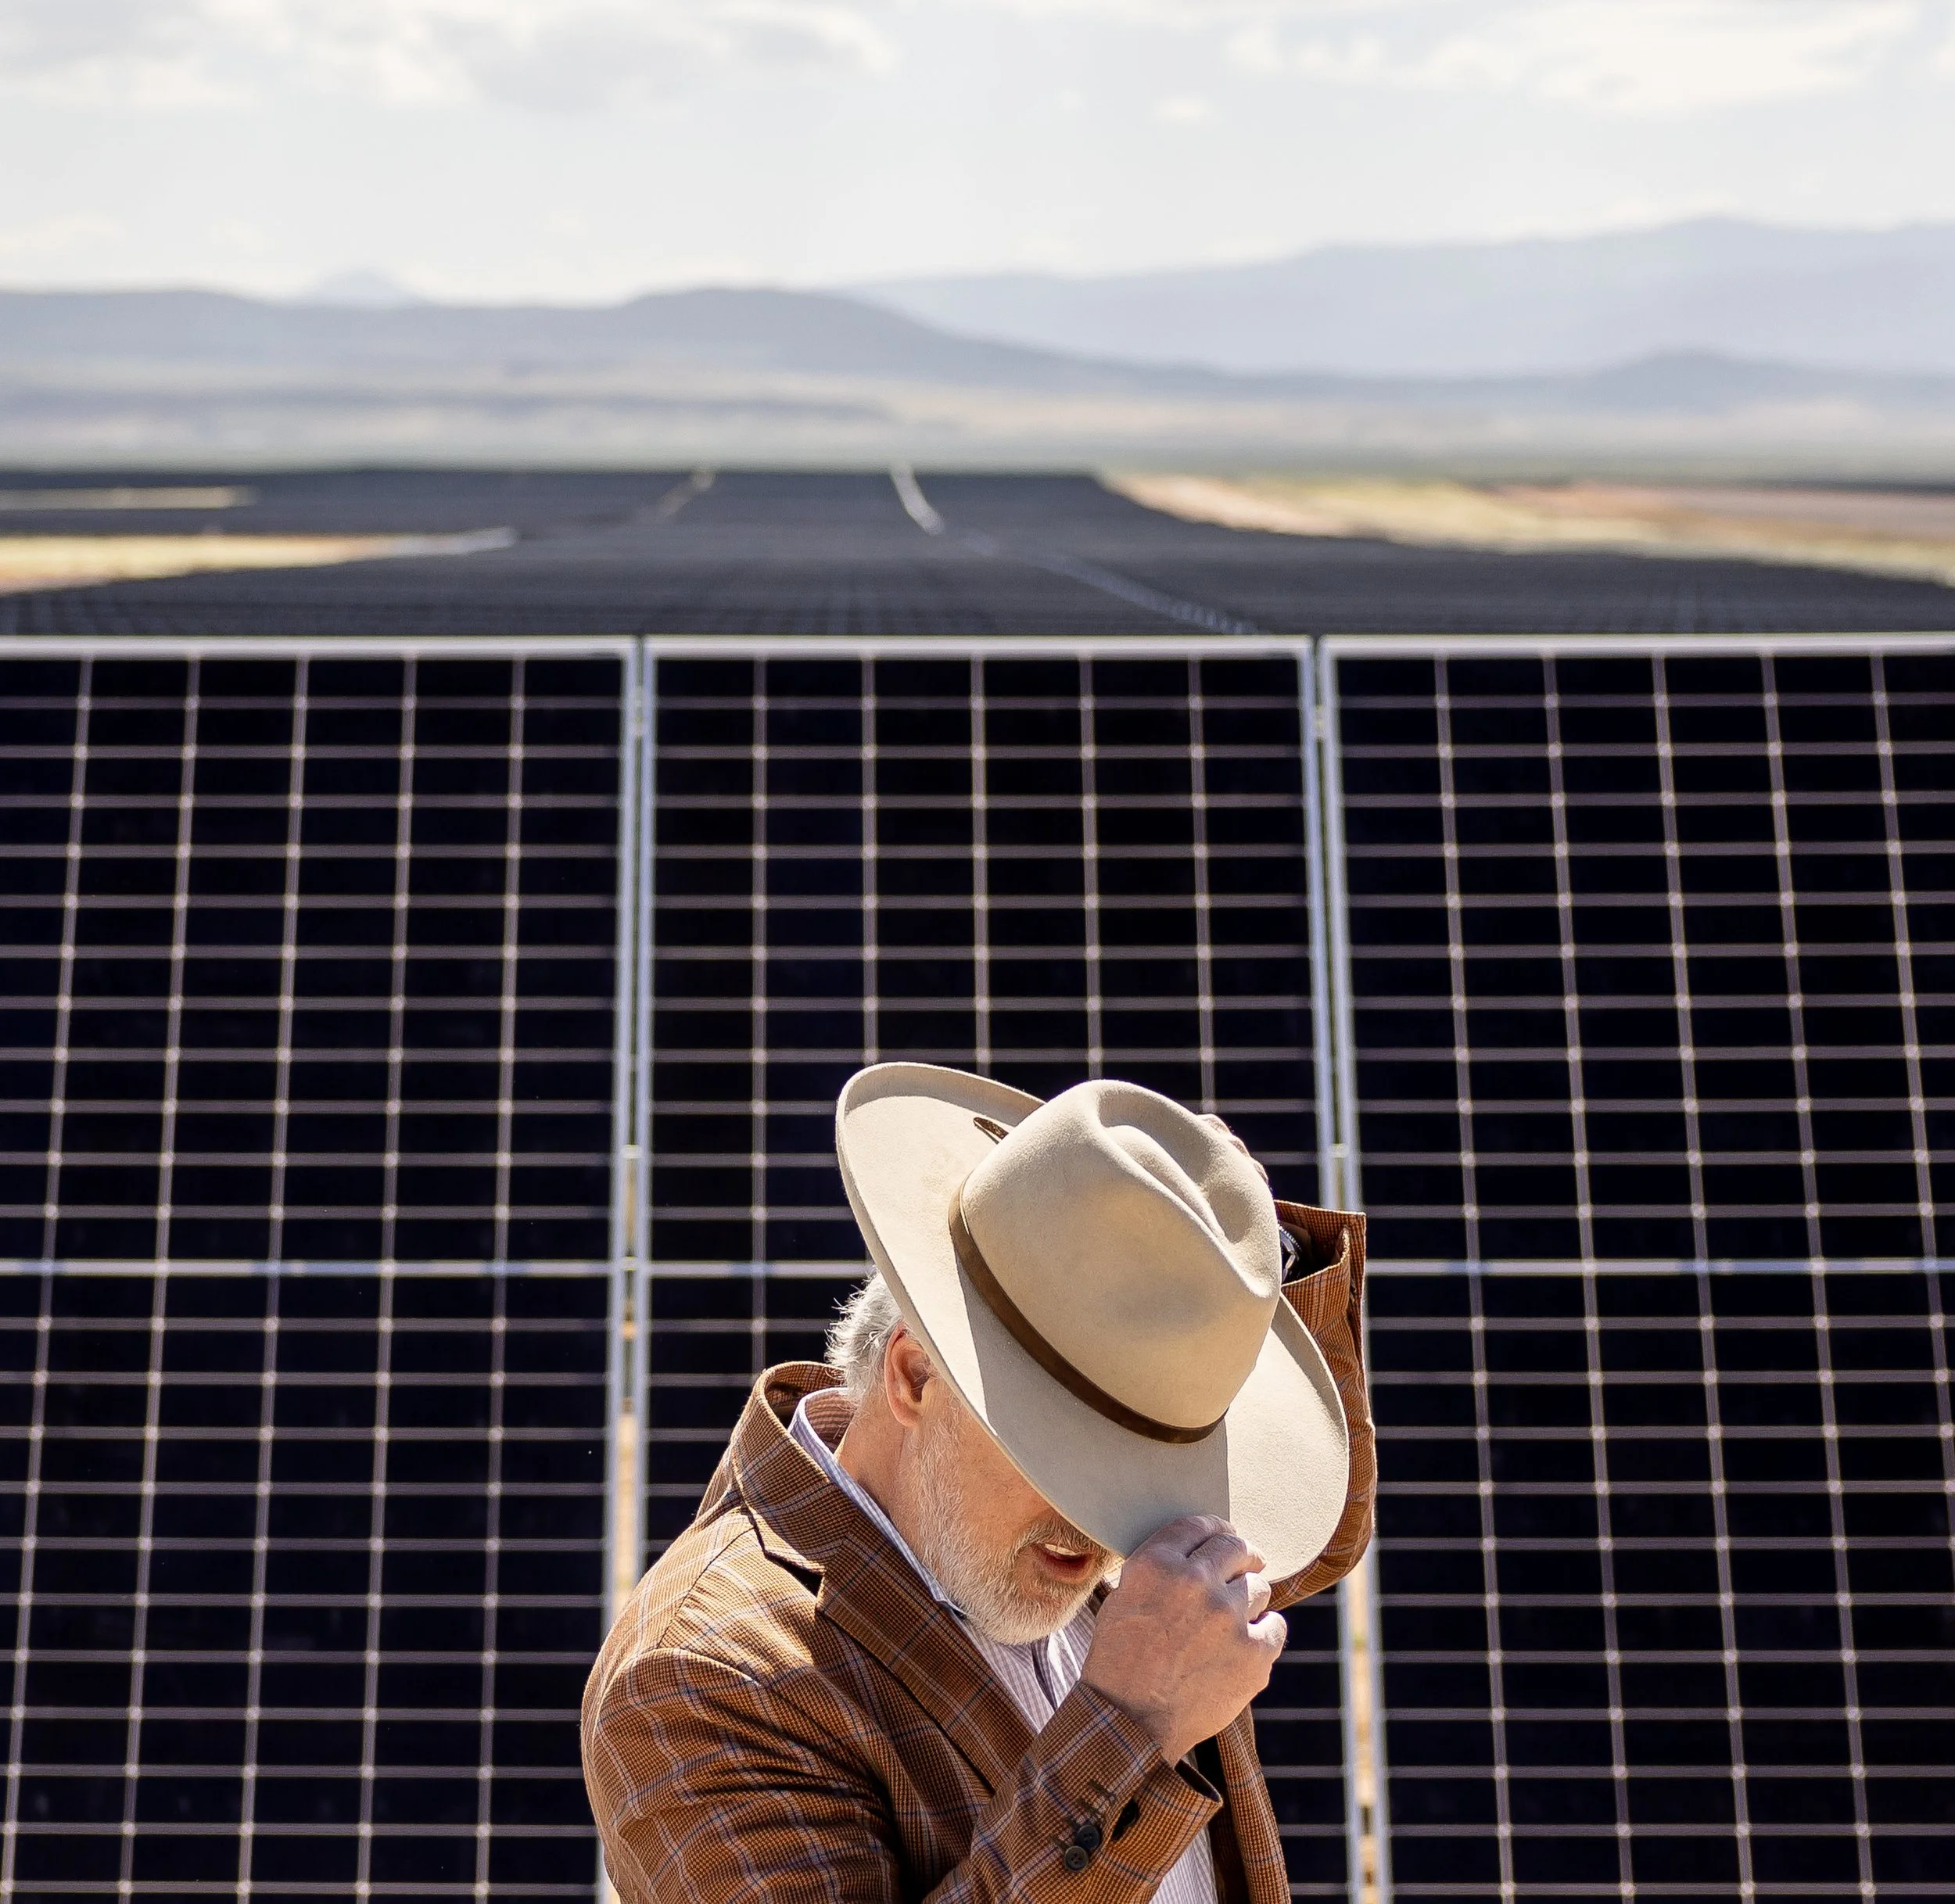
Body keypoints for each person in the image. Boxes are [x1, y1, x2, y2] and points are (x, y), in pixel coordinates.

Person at [583, 1063, 1375, 1904]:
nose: (1104, 1511)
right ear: (917, 1375)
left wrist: (1234, 1265)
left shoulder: (1096, 1527)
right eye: (1063, 1451)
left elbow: (1321, 1529)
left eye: (1147, 1458)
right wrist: (1128, 1728)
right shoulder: (702, 1676)